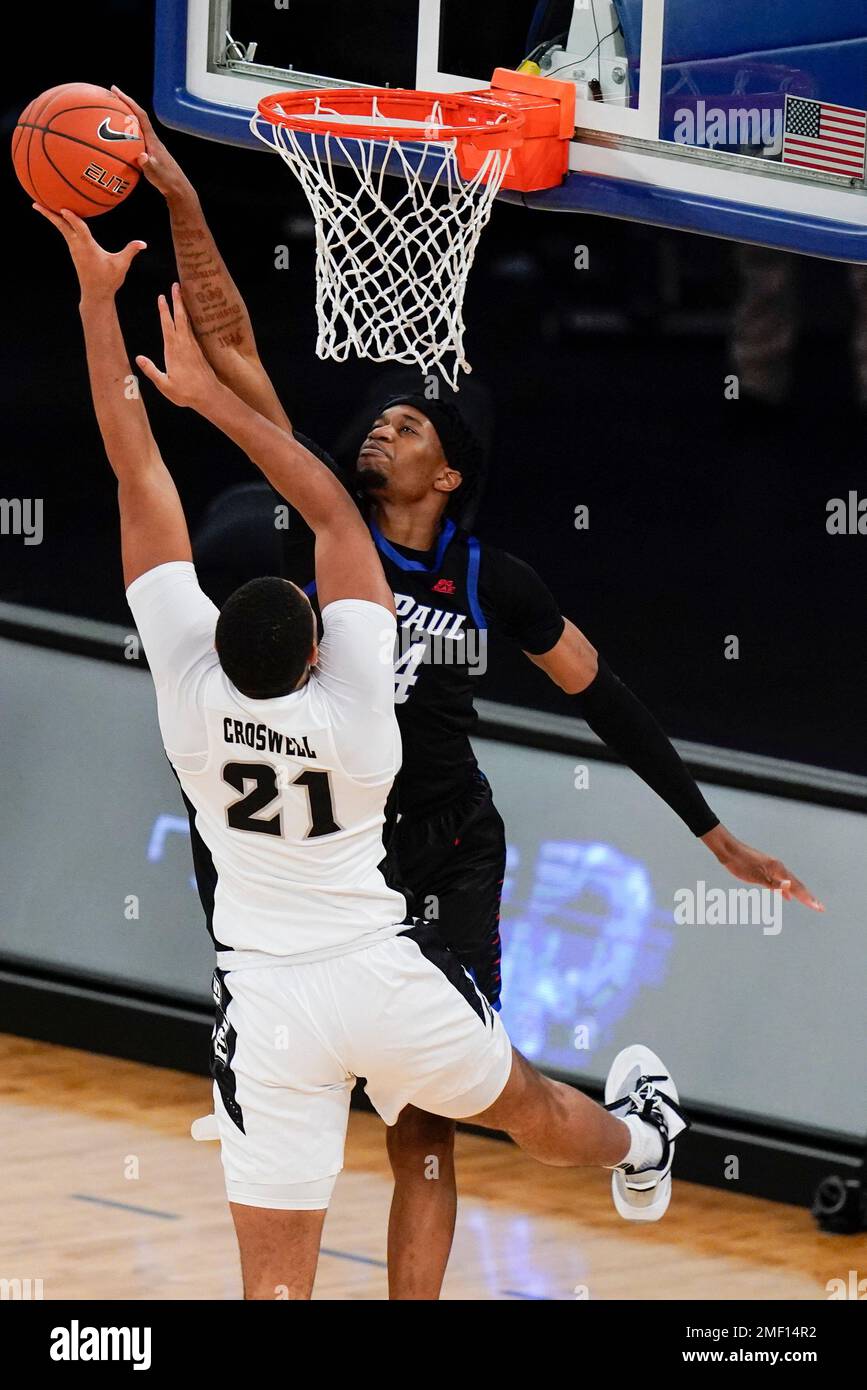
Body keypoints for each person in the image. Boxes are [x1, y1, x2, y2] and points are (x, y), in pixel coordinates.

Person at [110, 89, 824, 1300]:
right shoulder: (318, 534)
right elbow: (228, 342)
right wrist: (182, 197)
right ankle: (593, 1134)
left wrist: (713, 829)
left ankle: (628, 1140)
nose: (381, 425)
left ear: (450, 469)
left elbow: (610, 701)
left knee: (427, 1125)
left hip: (442, 848)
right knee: (351, 1099)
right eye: (379, 417)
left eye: (409, 421)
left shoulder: (497, 579)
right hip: (326, 861)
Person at [35, 200, 693, 1299]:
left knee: (276, 1289)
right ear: (320, 648)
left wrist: (100, 305)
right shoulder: (359, 716)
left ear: (217, 635)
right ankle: (643, 1142)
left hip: (270, 1001)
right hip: (386, 977)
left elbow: (132, 472)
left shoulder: (187, 698)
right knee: (531, 1111)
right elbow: (335, 517)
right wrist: (190, 384)